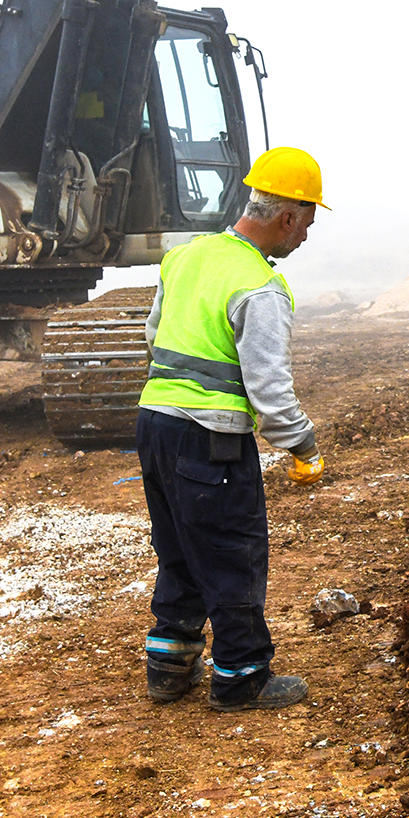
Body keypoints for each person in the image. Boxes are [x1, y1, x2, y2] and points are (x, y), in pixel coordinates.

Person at [135, 146, 329, 711]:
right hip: (210, 441)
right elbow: (269, 391)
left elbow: (154, 336)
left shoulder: (187, 256)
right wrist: (303, 443)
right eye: (308, 223)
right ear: (287, 217)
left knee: (178, 550)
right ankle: (242, 676)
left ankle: (169, 666)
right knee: (231, 553)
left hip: (154, 424)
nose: (306, 237)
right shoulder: (260, 287)